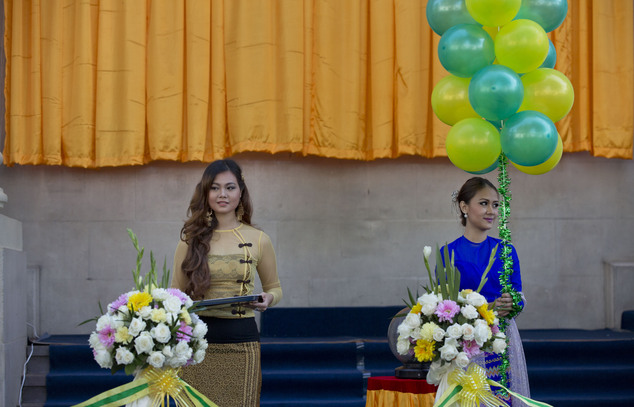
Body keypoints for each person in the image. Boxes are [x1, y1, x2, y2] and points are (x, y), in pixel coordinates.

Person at [171, 159, 282, 407]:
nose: (223, 194)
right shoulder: (189, 240)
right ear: (206, 192)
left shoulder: (259, 239)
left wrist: (268, 299)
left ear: (241, 192)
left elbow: (275, 287)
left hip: (241, 342)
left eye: (230, 187)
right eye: (215, 187)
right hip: (196, 345)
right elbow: (174, 296)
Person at [444, 176, 530, 406]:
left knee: (504, 397)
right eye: (483, 203)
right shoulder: (449, 253)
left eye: (495, 204)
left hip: (503, 338)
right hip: (468, 343)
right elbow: (444, 308)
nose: (491, 210)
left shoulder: (506, 251)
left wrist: (512, 302)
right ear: (464, 207)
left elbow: (519, 298)